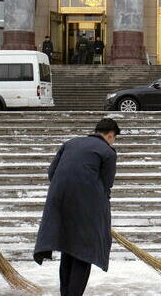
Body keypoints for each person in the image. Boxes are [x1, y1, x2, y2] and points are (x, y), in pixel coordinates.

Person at [34, 118, 120, 296]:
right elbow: (106, 185)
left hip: (59, 201)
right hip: (86, 205)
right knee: (84, 252)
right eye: (114, 138)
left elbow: (52, 173)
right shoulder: (108, 152)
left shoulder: (70, 143)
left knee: (68, 248)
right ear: (110, 135)